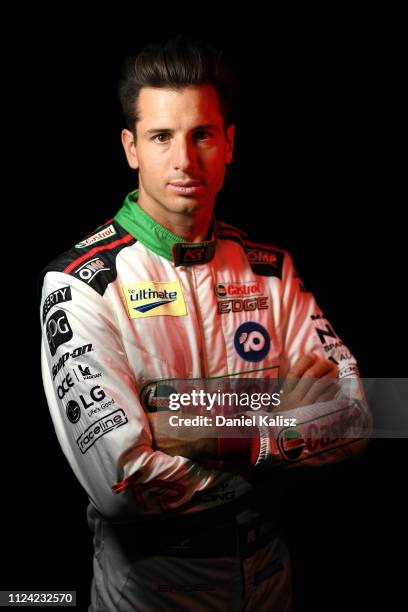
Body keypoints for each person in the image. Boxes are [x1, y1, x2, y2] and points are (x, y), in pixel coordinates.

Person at [39, 36, 371, 611]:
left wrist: (196, 428)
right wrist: (281, 423)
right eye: (162, 137)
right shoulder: (80, 285)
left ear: (230, 143)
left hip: (273, 588)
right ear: (131, 148)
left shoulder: (271, 269)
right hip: (148, 596)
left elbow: (364, 417)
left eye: (202, 135)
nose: (185, 162)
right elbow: (121, 486)